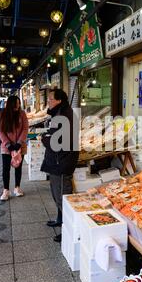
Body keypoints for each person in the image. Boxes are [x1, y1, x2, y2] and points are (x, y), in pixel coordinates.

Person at [41, 89, 79, 242]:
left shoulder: (65, 116)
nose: (48, 101)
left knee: (63, 197)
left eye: (51, 99)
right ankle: (59, 219)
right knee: (56, 194)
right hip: (57, 161)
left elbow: (57, 142)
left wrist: (43, 139)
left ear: (59, 100)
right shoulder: (59, 113)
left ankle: (69, 230)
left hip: (62, 162)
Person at [0, 96, 29, 201]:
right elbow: (1, 130)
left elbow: (25, 129)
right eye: (16, 103)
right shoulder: (3, 114)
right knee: (5, 169)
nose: (18, 105)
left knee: (18, 167)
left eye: (19, 103)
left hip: (20, 146)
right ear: (10, 104)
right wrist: (8, 144)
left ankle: (17, 188)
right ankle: (6, 190)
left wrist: (19, 143)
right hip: (6, 147)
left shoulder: (22, 114)